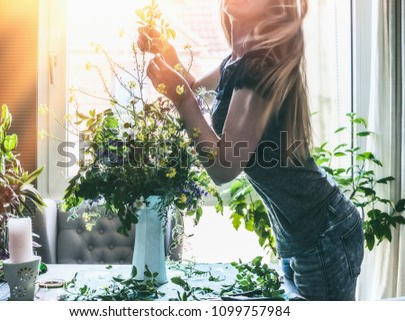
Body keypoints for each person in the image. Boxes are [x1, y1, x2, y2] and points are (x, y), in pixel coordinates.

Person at [138, 0, 364, 300]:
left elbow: (223, 168)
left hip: (323, 232)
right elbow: (196, 90)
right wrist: (167, 52)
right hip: (300, 234)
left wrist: (181, 101)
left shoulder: (261, 63)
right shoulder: (237, 60)